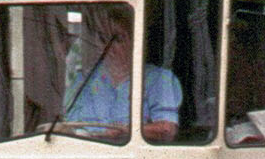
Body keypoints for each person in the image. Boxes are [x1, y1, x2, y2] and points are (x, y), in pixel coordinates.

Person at [62, 9, 181, 142]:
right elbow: (68, 125)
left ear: (135, 42)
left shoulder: (158, 79)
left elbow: (167, 130)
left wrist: (124, 131)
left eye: (117, 39)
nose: (108, 47)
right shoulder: (84, 80)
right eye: (103, 39)